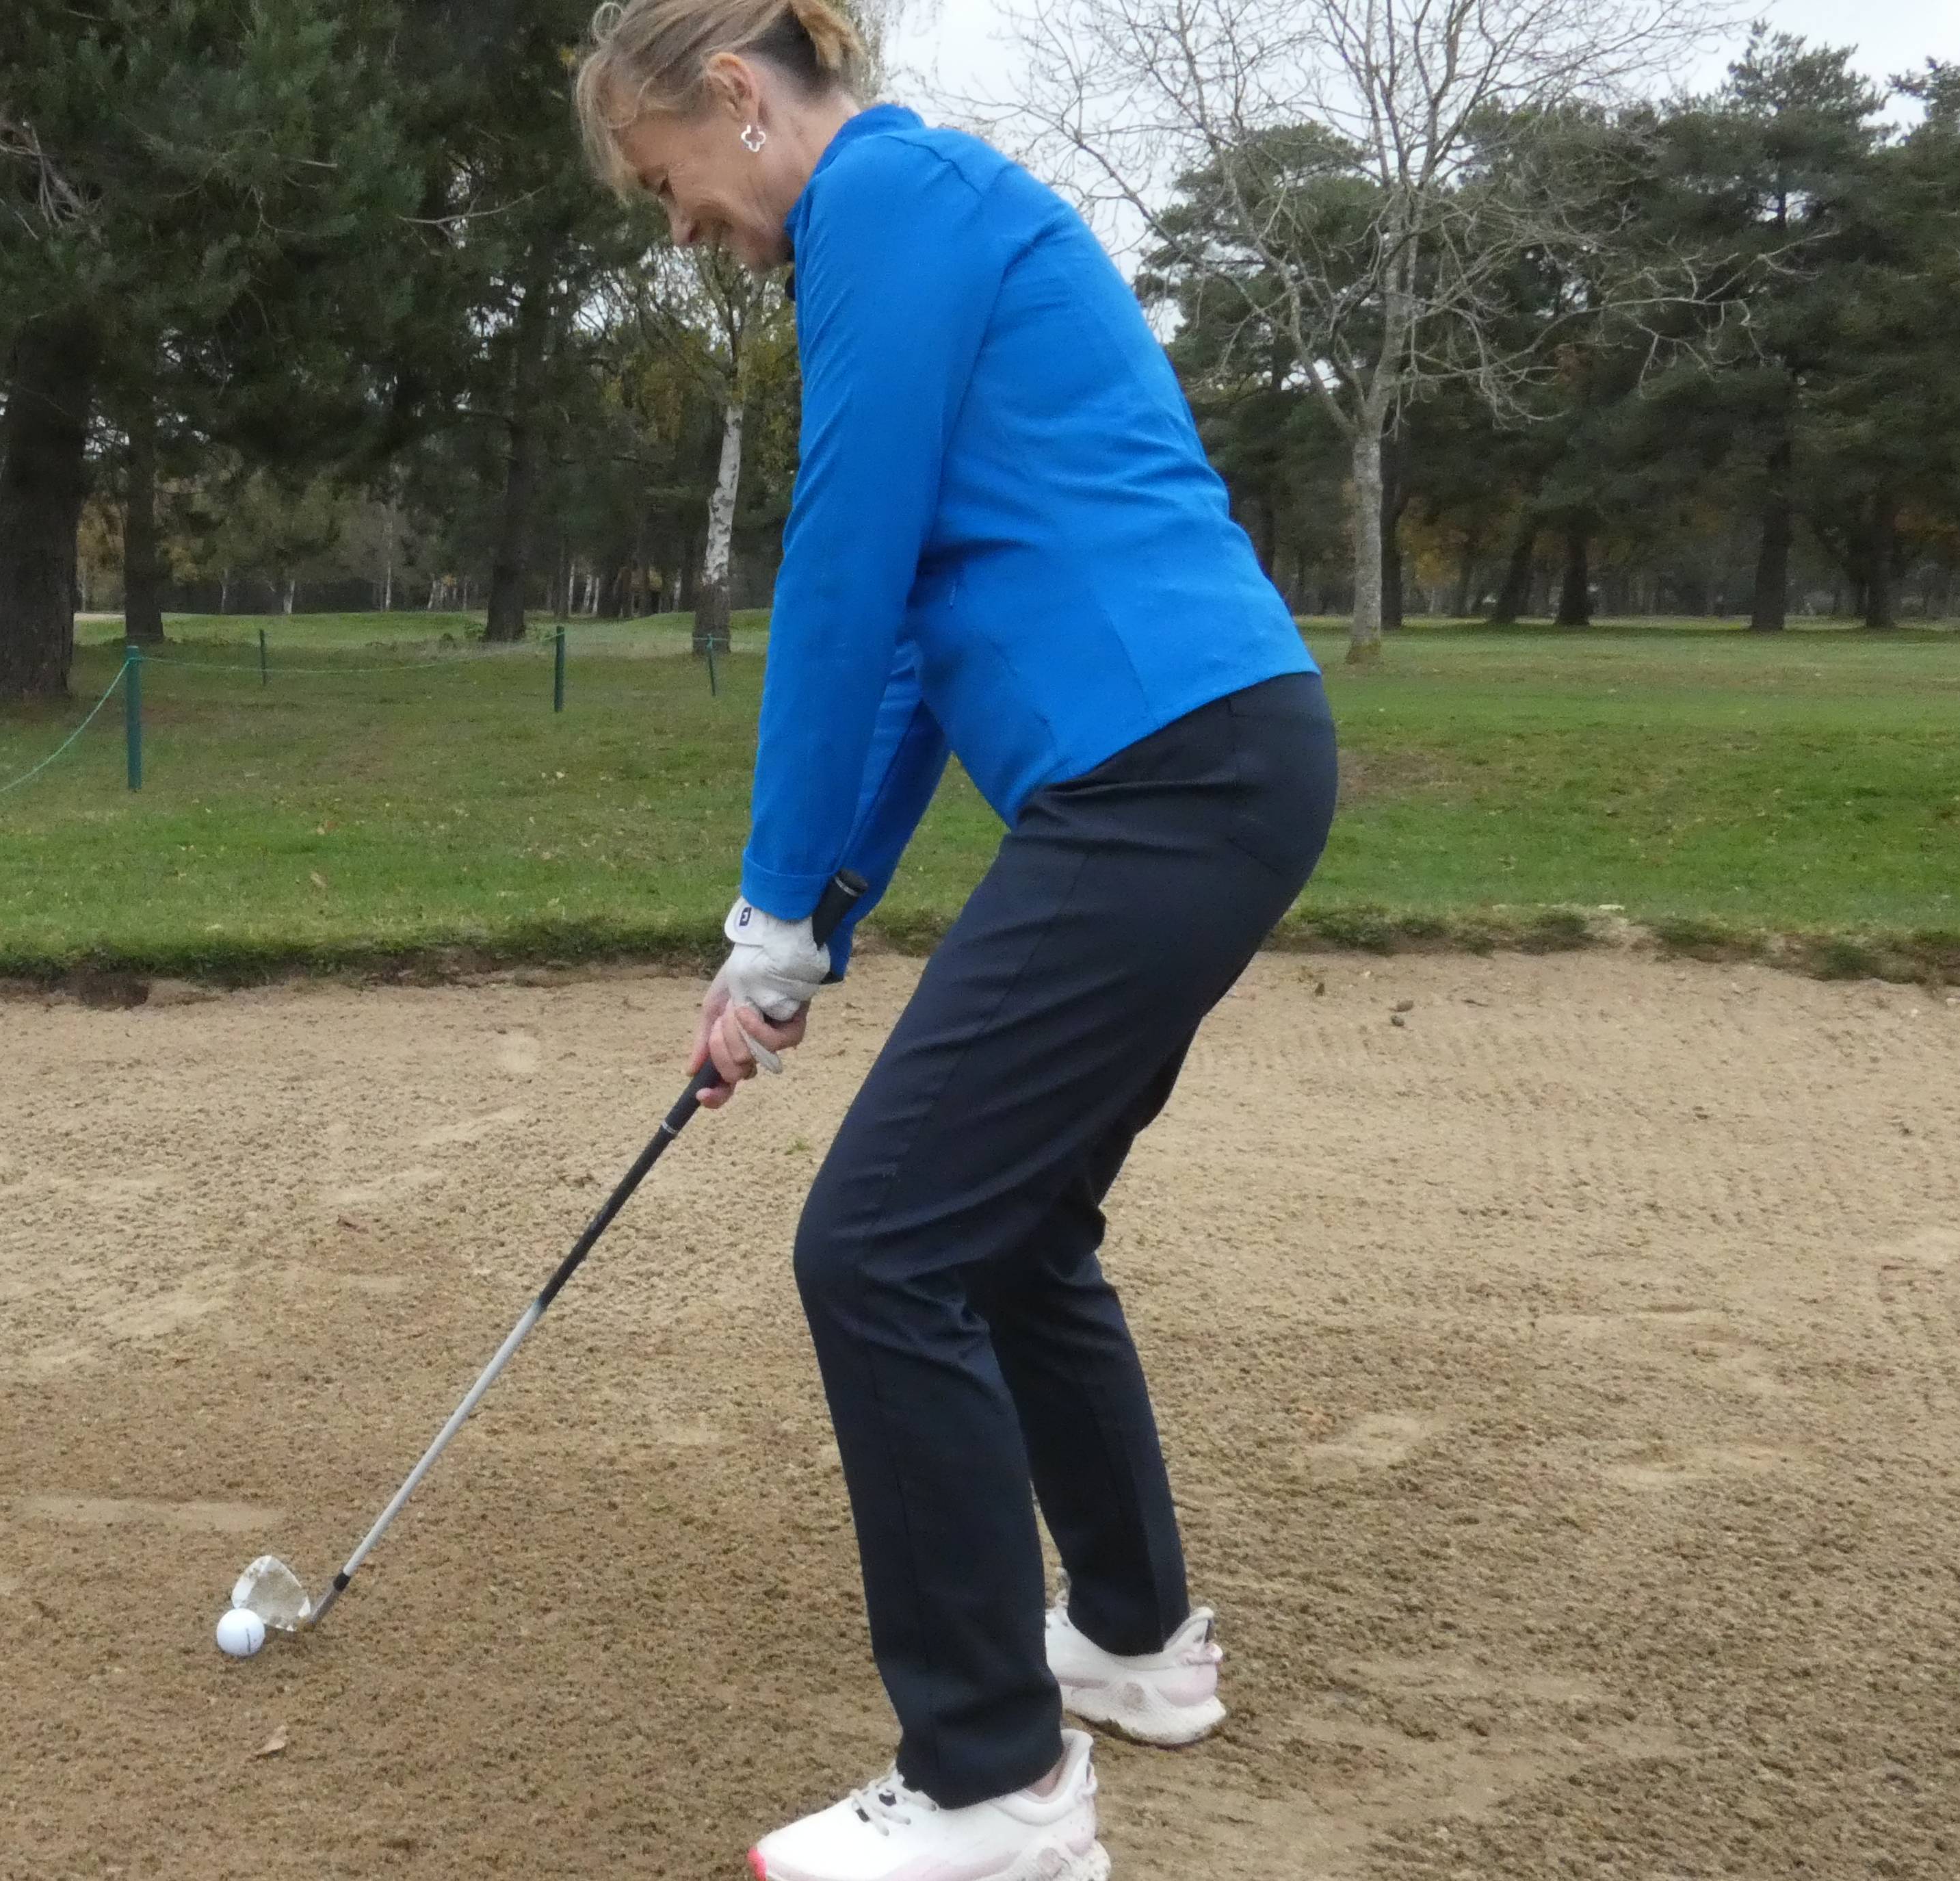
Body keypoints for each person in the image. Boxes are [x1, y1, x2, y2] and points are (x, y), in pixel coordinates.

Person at [575, 3, 1340, 1876]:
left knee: (879, 1245)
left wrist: (764, 906)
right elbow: (914, 645)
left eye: (674, 189)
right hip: (1199, 762)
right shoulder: (920, 215)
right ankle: (1135, 1644)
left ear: (738, 101)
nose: (689, 235)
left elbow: (839, 563)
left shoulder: (893, 201)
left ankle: (994, 1781)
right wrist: (807, 928)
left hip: (1169, 767)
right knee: (1003, 1230)